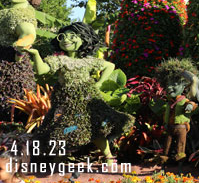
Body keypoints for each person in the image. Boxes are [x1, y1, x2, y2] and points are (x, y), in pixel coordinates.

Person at [25, 22, 134, 164]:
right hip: (66, 102)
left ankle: (109, 158)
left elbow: (110, 66)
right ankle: (59, 159)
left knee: (96, 128)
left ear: (84, 39)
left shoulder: (88, 61)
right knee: (62, 130)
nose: (66, 40)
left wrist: (99, 82)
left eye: (72, 36)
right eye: (62, 36)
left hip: (88, 100)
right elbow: (42, 70)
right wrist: (36, 54)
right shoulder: (60, 60)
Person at [0, 0, 40, 121]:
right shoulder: (4, 12)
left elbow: (29, 34)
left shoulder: (23, 14)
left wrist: (20, 49)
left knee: (11, 99)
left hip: (10, 60)